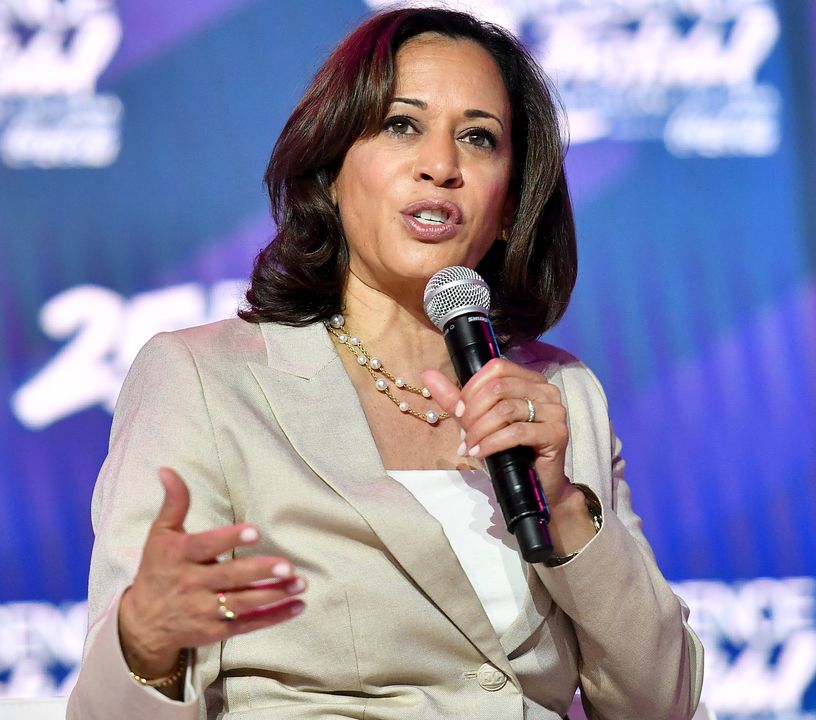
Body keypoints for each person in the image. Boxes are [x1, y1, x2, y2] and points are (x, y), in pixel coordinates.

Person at [66, 7, 703, 719]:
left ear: (508, 203)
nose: (441, 165)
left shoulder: (562, 396)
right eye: (402, 125)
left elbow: (665, 704)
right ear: (333, 171)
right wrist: (146, 642)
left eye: (478, 137)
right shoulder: (204, 380)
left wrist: (565, 511)